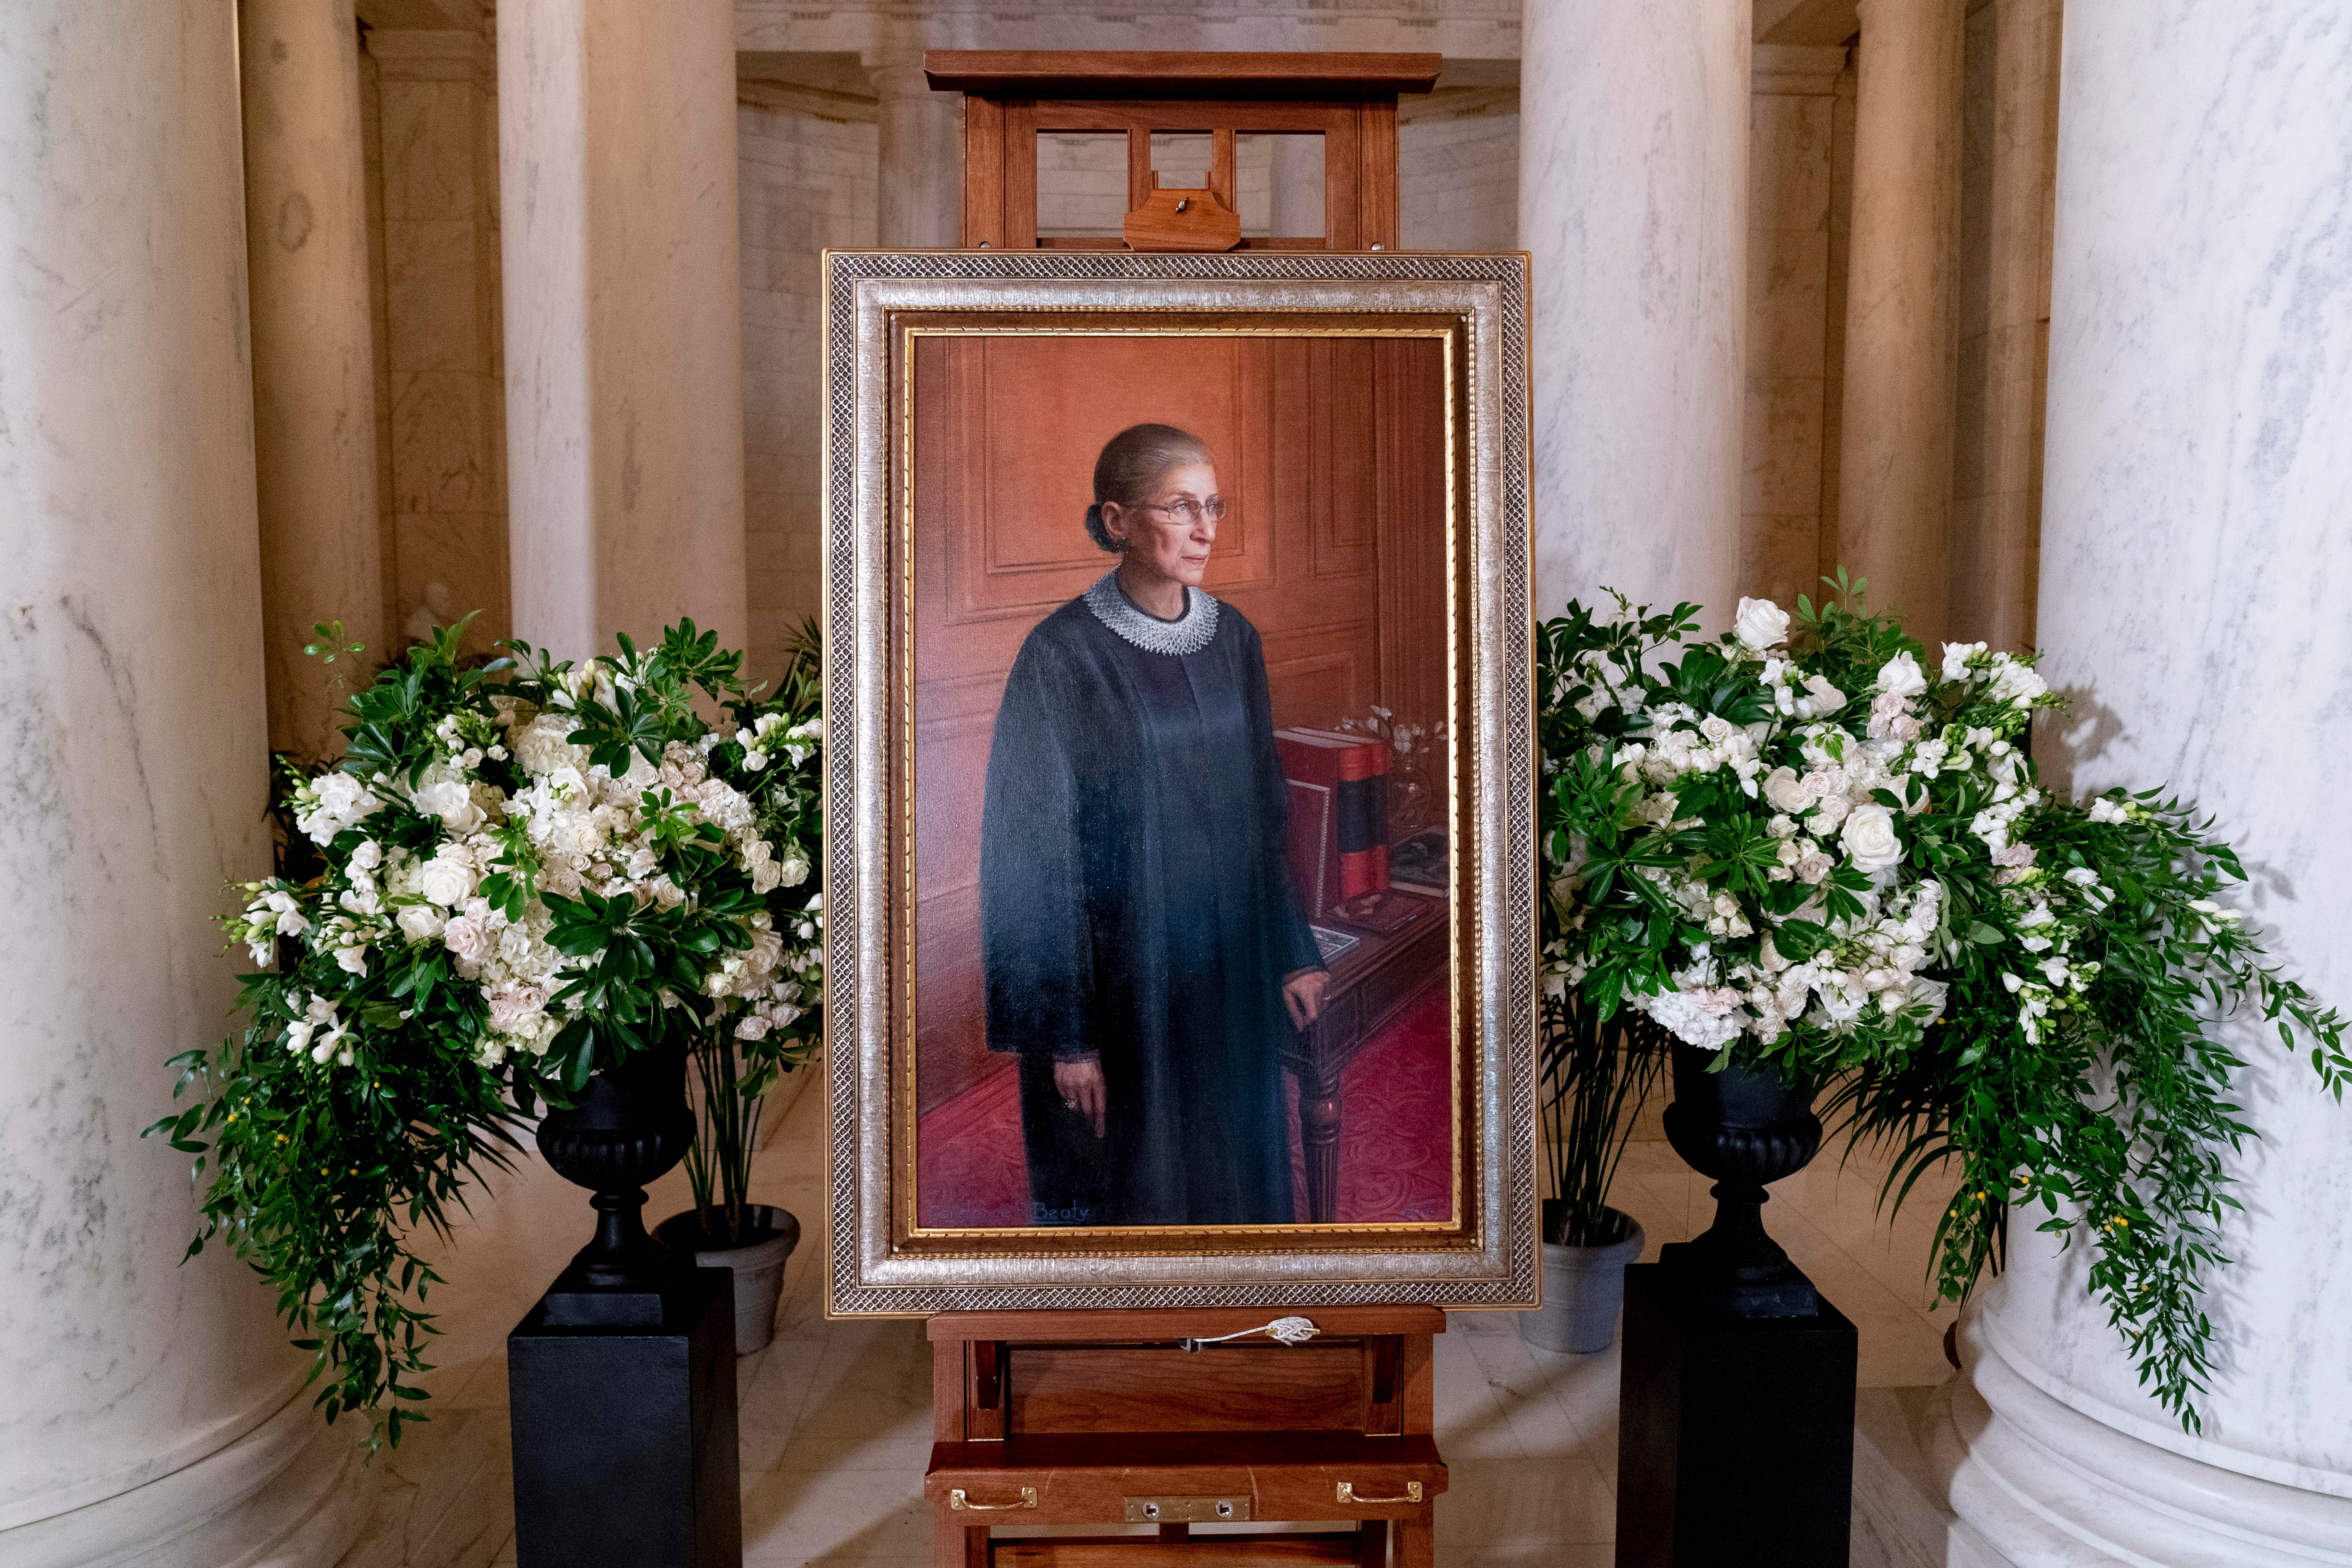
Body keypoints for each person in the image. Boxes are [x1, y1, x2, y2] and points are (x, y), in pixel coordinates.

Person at [979, 423, 1329, 1227]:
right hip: (1122, 988)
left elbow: (1264, 813)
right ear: (1117, 520)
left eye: (1214, 506)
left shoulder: (1234, 638)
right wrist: (1069, 1038)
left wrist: (1291, 952)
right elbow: (1030, 858)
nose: (1206, 529)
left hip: (1226, 972)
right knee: (1137, 1182)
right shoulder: (1060, 655)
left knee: (1232, 1174)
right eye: (1180, 508)